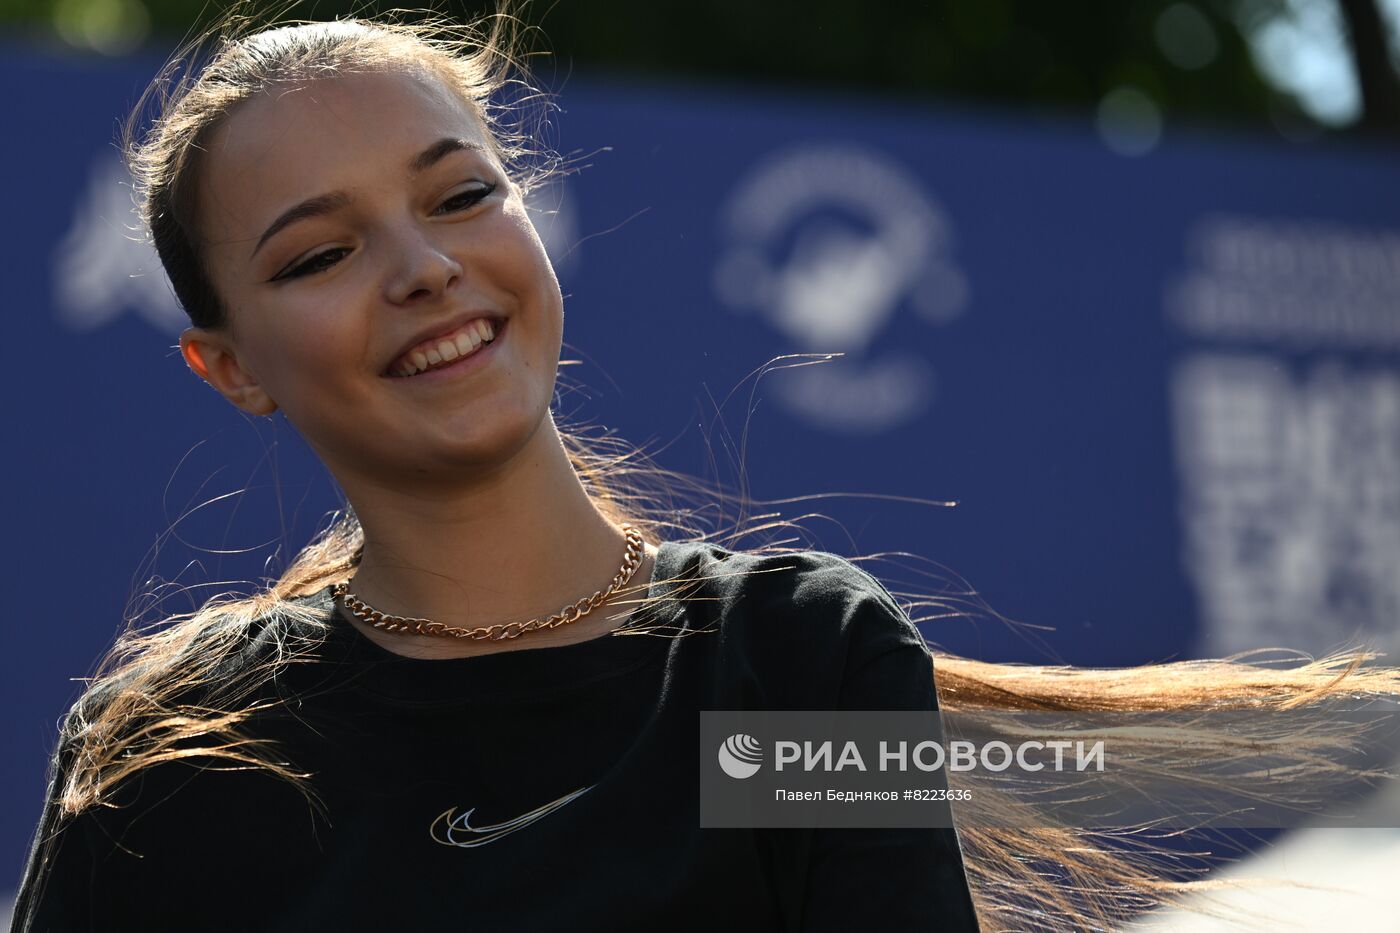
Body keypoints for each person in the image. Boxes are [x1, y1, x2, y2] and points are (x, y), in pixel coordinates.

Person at [11, 8, 1400, 933]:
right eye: (320, 254)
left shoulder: (787, 664)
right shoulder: (174, 751)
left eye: (460, 195)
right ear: (230, 364)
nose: (424, 267)